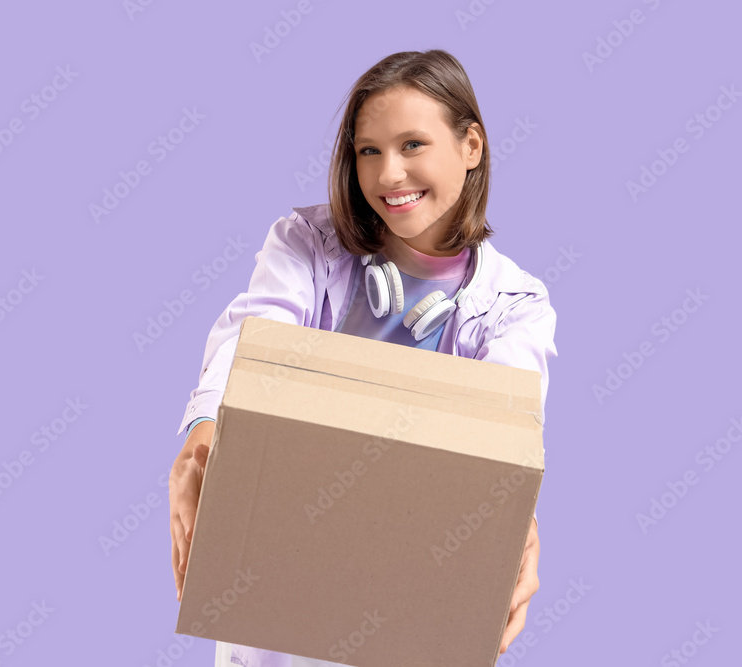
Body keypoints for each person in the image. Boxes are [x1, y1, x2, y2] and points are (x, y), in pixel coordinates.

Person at [168, 49, 558, 667]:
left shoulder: (515, 306)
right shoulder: (306, 245)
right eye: (368, 150)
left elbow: (504, 433)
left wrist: (514, 521)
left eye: (412, 145)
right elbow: (252, 340)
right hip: (278, 620)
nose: (388, 175)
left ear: (472, 145)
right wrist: (203, 431)